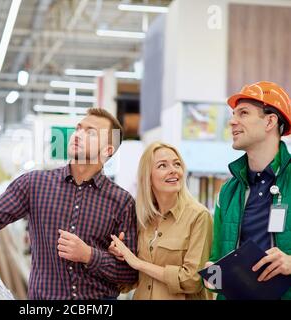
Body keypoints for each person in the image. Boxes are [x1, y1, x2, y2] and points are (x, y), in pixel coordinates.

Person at [0, 107, 138, 300]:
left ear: (108, 150)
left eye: (90, 132)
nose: (78, 135)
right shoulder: (35, 184)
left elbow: (129, 273)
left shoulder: (121, 202)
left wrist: (89, 255)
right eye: (78, 128)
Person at [204, 81, 291, 300]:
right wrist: (212, 275)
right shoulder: (229, 191)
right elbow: (216, 261)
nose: (232, 121)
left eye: (243, 113)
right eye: (233, 114)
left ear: (270, 121)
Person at [109, 142, 213, 300]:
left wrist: (138, 263)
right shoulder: (142, 220)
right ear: (148, 177)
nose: (173, 170)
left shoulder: (199, 216)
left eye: (177, 164)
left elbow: (193, 280)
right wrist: (120, 257)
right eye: (162, 165)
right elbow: (130, 282)